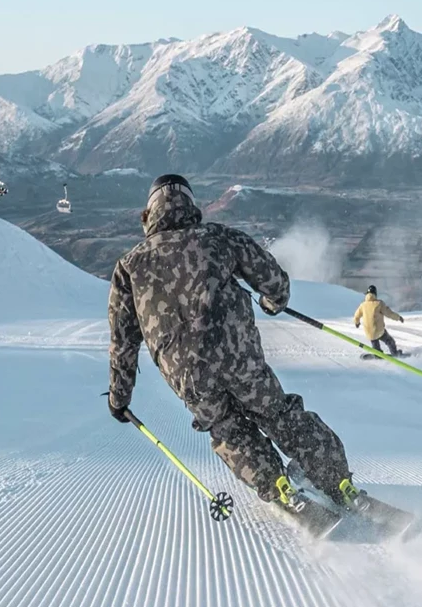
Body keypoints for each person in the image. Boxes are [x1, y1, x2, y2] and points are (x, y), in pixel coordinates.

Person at [106, 174, 363, 516]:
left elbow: (123, 342)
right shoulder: (219, 238)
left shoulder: (129, 266)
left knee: (227, 428)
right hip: (239, 356)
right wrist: (274, 301)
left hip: (187, 374)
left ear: (148, 214)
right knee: (278, 412)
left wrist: (119, 398)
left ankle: (279, 486)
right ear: (191, 204)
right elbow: (273, 279)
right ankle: (338, 482)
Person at [353, 285, 404, 356]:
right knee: (389, 341)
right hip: (379, 330)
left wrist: (357, 323)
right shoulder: (379, 304)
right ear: (375, 294)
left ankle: (377, 354)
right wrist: (398, 317)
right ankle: (395, 353)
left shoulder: (363, 305)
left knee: (374, 341)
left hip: (369, 331)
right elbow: (389, 313)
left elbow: (356, 315)